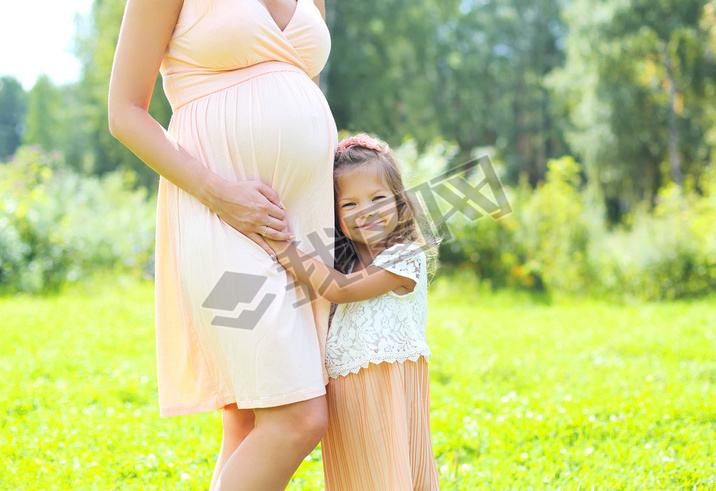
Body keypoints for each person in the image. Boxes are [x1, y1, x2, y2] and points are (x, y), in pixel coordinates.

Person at [107, 0, 337, 489]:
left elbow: (299, 89)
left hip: (301, 222)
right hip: (217, 211)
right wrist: (219, 193)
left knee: (249, 416)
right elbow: (124, 113)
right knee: (297, 416)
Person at [265, 133, 442, 490]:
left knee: (388, 472)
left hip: (387, 383)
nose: (367, 211)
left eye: (378, 198)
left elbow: (339, 290)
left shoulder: (405, 257)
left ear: (399, 202)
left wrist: (284, 249)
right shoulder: (345, 261)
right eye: (350, 205)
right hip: (346, 386)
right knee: (359, 474)